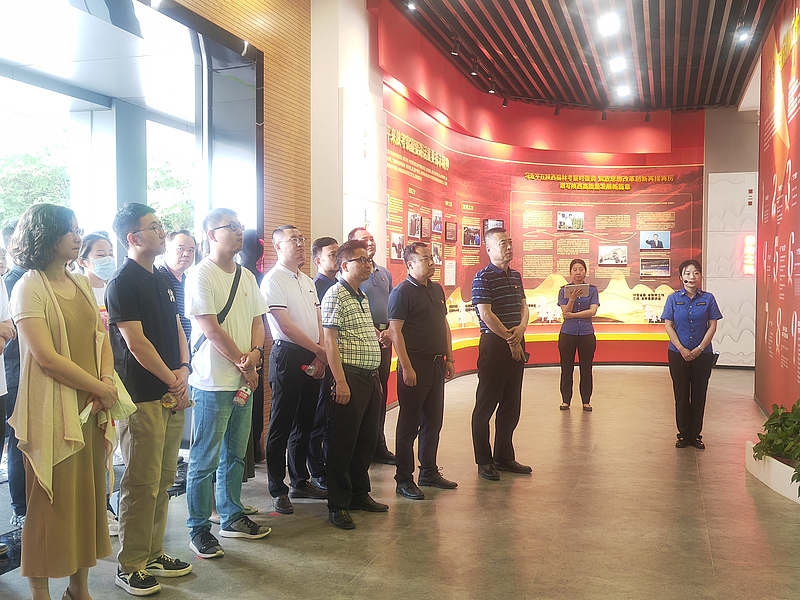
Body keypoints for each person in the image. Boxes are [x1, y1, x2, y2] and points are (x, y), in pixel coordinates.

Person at [8, 203, 118, 600]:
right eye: (69, 230)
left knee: (86, 498)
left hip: (89, 407)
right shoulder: (28, 287)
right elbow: (46, 358)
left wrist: (106, 381)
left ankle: (78, 588)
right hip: (51, 411)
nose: (77, 236)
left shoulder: (81, 283)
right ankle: (40, 592)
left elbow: (101, 337)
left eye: (77, 228)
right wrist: (100, 388)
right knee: (48, 501)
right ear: (45, 236)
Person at [107, 204, 193, 596]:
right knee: (141, 483)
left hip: (171, 390)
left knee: (164, 478)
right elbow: (136, 343)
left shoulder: (161, 278)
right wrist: (172, 380)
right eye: (154, 226)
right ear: (133, 237)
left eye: (160, 225)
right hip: (141, 396)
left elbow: (177, 327)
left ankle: (154, 553)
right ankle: (130, 565)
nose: (162, 231)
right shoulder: (122, 281)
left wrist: (184, 369)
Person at [185, 208, 270, 560]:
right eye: (231, 227)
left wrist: (255, 354)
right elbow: (210, 328)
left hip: (243, 378)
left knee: (235, 455)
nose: (239, 232)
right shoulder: (200, 274)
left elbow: (257, 321)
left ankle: (232, 516)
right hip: (212, 382)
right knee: (204, 460)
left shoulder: (246, 275)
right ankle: (198, 529)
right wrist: (244, 363)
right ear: (211, 234)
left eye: (240, 226)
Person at [260, 225, 327, 515]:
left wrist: (320, 353)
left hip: (313, 354)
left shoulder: (307, 280)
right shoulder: (273, 280)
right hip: (288, 356)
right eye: (293, 240)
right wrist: (319, 351)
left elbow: (318, 319)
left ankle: (300, 481)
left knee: (305, 423)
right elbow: (284, 325)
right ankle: (278, 489)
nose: (300, 244)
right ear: (278, 246)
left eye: (302, 239)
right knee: (281, 424)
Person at [321, 240, 389, 529]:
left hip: (369, 378)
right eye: (361, 260)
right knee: (343, 444)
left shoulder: (360, 295)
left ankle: (359, 494)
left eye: (368, 259)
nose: (367, 264)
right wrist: (340, 381)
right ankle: (338, 505)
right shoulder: (335, 295)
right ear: (344, 265)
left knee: (366, 441)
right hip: (349, 377)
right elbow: (330, 342)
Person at [388, 242, 456, 501]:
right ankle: (404, 479)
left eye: (431, 258)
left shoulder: (436, 289)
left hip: (436, 364)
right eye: (425, 259)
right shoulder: (401, 293)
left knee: (433, 421)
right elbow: (395, 331)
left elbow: (444, 324)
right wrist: (406, 366)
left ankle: (428, 471)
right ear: (410, 265)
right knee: (408, 426)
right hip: (414, 365)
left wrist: (449, 358)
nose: (431, 262)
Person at [470, 228, 531, 481]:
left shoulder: (515, 275)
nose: (508, 247)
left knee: (511, 405)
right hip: (494, 344)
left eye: (510, 242)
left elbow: (524, 306)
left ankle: (503, 457)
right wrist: (510, 338)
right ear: (489, 250)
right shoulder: (482, 277)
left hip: (515, 339)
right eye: (502, 243)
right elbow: (486, 314)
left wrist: (521, 329)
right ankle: (484, 461)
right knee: (485, 406)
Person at [347, 227, 395, 465]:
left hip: (385, 337)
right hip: (365, 338)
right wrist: (376, 333)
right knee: (365, 394)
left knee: (381, 393)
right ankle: (363, 445)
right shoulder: (353, 275)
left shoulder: (384, 273)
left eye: (372, 238)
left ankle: (379, 444)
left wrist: (389, 332)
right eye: (364, 239)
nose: (371, 242)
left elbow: (392, 306)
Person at [662, 259, 722, 449]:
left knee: (699, 394)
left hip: (702, 355)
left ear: (701, 276)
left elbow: (712, 326)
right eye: (687, 273)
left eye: (696, 272)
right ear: (681, 277)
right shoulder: (673, 299)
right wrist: (681, 348)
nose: (692, 276)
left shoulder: (709, 298)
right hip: (677, 354)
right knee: (681, 394)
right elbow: (668, 326)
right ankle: (683, 434)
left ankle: (695, 435)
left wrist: (700, 348)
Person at [308, 236, 340, 491]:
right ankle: (317, 470)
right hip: (322, 359)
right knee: (317, 420)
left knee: (332, 419)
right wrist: (320, 357)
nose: (337, 258)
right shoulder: (316, 287)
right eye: (332, 254)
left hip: (337, 360)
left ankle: (331, 466)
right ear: (318, 260)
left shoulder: (339, 286)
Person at [1, 220, 26, 533]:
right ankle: (20, 509)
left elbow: (7, 329)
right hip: (16, 374)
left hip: (20, 376)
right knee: (19, 442)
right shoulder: (13, 282)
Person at [557, 259, 600, 411]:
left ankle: (586, 401)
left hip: (587, 334)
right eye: (574, 269)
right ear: (570, 272)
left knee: (586, 369)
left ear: (585, 272)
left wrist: (572, 315)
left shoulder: (593, 290)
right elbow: (565, 312)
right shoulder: (563, 290)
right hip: (567, 334)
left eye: (581, 269)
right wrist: (572, 298)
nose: (578, 272)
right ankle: (565, 401)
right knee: (566, 368)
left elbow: (592, 311)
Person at [158, 230, 196, 344]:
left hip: (189, 348)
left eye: (191, 250)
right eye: (180, 249)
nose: (186, 254)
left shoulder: (190, 282)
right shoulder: (157, 279)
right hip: (167, 346)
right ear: (166, 250)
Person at [75, 233, 115, 331]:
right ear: (82, 262)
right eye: (100, 255)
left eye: (110, 254)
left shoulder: (113, 291)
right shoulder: (76, 292)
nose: (108, 259)